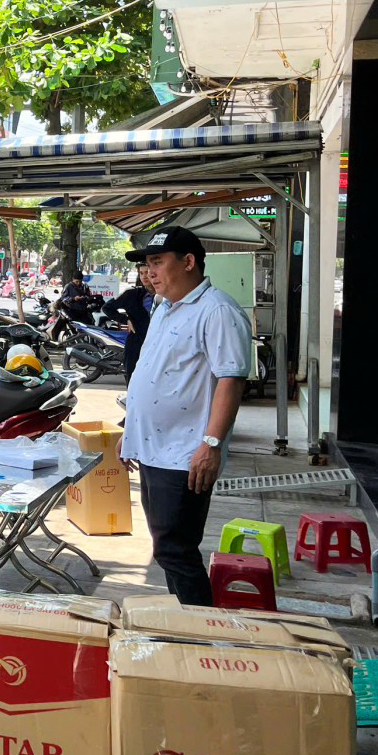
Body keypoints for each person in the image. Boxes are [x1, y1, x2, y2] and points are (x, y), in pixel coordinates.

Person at [120, 227, 251, 606]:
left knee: (175, 550)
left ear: (189, 262)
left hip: (184, 454)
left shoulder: (218, 311)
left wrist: (210, 445)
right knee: (168, 548)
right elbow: (155, 371)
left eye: (158, 262)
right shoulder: (164, 306)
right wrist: (132, 430)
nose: (150, 272)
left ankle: (200, 631)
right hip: (154, 448)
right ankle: (185, 620)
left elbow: (231, 379)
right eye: (147, 264)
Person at [103, 263, 155, 379]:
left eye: (147, 272)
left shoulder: (166, 296)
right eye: (141, 273)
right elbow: (107, 308)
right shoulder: (131, 294)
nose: (144, 276)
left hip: (157, 346)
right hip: (135, 344)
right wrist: (126, 320)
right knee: (133, 378)